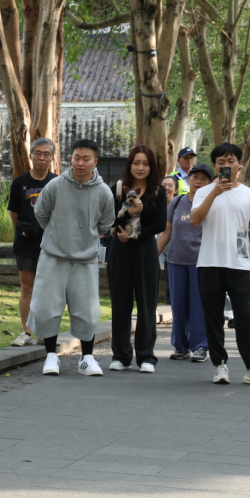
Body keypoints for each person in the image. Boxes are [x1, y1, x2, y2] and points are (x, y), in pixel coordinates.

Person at [189, 143, 250, 386]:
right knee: (213, 317)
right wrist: (214, 192)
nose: (226, 165)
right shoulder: (204, 192)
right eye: (221, 162)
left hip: (239, 265)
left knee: (245, 317)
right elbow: (195, 221)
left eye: (231, 161)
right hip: (209, 263)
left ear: (240, 166)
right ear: (214, 165)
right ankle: (219, 365)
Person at [30, 139, 114, 377]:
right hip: (52, 257)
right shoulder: (55, 185)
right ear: (71, 158)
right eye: (77, 157)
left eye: (86, 159)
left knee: (87, 311)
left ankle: (87, 358)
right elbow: (41, 214)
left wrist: (84, 237)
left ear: (94, 162)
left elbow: (106, 223)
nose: (80, 163)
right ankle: (50, 356)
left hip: (86, 260)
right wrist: (58, 235)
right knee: (46, 308)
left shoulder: (103, 191)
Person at [107, 145, 168, 373]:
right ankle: (121, 356)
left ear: (151, 167)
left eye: (145, 163)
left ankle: (146, 357)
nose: (140, 168)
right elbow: (108, 221)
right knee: (120, 304)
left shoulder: (157, 191)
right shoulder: (118, 189)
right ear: (129, 165)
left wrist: (133, 236)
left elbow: (160, 224)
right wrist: (129, 211)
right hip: (119, 251)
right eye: (136, 163)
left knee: (146, 304)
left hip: (145, 251)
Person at [157, 163, 212, 363]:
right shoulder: (177, 202)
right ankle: (180, 346)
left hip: (201, 263)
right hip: (176, 261)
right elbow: (166, 232)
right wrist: (154, 256)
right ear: (188, 180)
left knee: (198, 306)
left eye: (204, 179)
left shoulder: (211, 203)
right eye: (195, 177)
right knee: (178, 306)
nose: (198, 181)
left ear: (210, 183)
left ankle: (199, 347)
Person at [7, 138, 57, 346]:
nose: (42, 157)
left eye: (46, 154)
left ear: (52, 157)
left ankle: (43, 332)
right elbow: (14, 215)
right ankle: (26, 331)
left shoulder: (57, 183)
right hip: (26, 242)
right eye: (38, 153)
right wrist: (25, 230)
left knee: (47, 288)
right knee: (27, 287)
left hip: (51, 243)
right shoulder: (20, 183)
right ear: (31, 156)